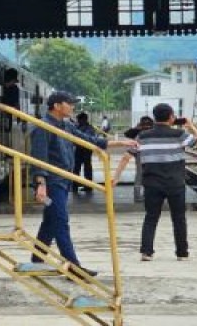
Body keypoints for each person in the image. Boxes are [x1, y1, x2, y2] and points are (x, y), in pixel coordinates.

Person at [30, 92, 135, 277]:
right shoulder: (43, 127)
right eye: (69, 103)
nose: (73, 107)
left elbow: (90, 141)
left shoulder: (66, 125)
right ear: (57, 106)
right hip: (51, 183)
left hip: (63, 181)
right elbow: (39, 157)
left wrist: (121, 142)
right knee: (60, 221)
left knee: (50, 220)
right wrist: (40, 183)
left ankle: (37, 260)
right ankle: (74, 267)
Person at [137, 103, 197, 261]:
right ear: (171, 116)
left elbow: (130, 153)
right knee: (179, 218)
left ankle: (146, 252)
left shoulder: (143, 136)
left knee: (151, 217)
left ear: (154, 116)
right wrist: (191, 125)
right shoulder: (179, 135)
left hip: (151, 183)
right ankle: (182, 253)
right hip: (175, 183)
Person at [71, 112, 96, 192]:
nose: (77, 121)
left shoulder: (87, 128)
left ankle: (82, 186)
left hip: (84, 150)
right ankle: (81, 186)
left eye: (78, 120)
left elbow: (86, 138)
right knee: (82, 168)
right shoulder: (88, 127)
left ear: (82, 120)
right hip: (83, 150)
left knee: (82, 168)